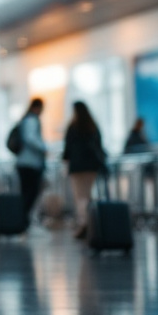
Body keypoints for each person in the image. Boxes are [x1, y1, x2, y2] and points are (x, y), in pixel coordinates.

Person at [62, 101, 107, 240]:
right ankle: (92, 223)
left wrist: (66, 163)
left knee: (80, 196)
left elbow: (67, 149)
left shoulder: (73, 127)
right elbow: (99, 146)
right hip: (92, 166)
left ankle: (84, 222)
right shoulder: (92, 126)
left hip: (77, 166)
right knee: (88, 195)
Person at [13, 98, 48, 221]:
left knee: (26, 193)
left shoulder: (25, 120)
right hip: (30, 163)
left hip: (24, 162)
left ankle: (22, 220)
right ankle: (23, 219)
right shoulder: (32, 120)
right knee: (30, 193)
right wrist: (43, 148)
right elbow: (30, 138)